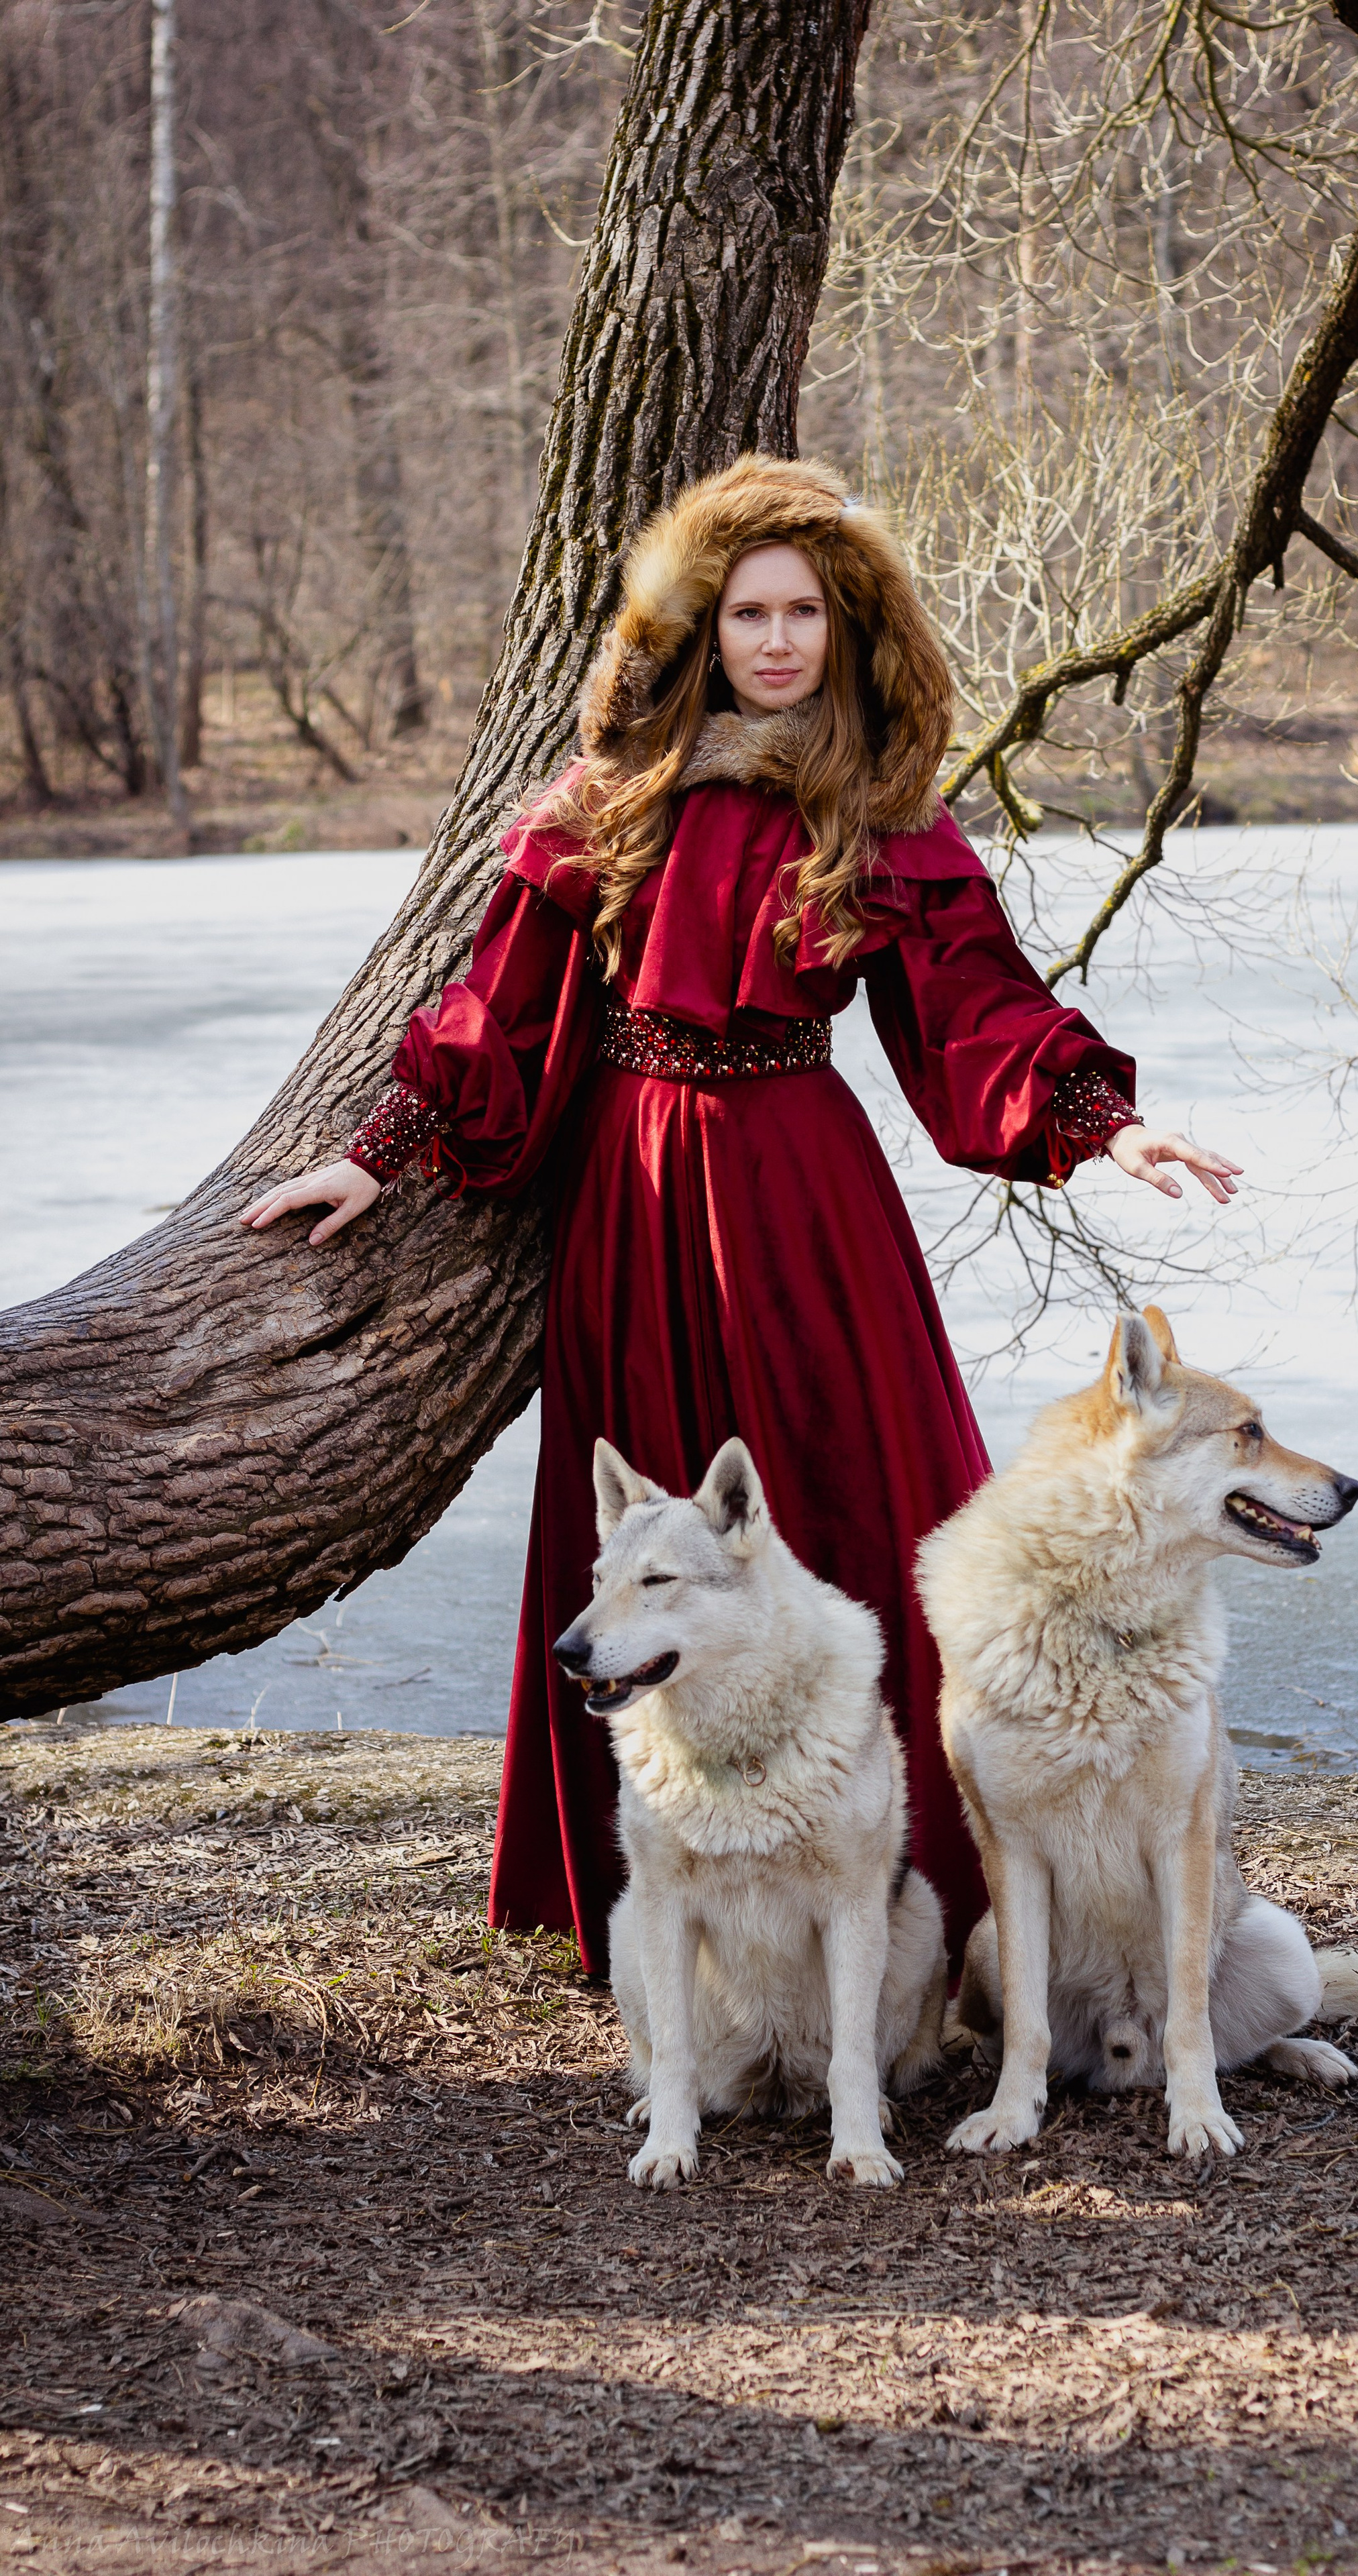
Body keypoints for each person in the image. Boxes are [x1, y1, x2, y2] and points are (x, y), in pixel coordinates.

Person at [240, 455, 1241, 1978]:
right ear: (701, 629)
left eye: (805, 614)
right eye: (746, 612)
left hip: (803, 1195)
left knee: (855, 1504)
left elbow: (975, 1010)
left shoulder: (882, 810)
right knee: (653, 1554)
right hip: (632, 1207)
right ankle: (680, 1934)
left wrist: (1106, 1124)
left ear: (846, 629)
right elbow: (503, 1012)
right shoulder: (609, 806)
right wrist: (378, 1151)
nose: (776, 640)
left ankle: (918, 1905)